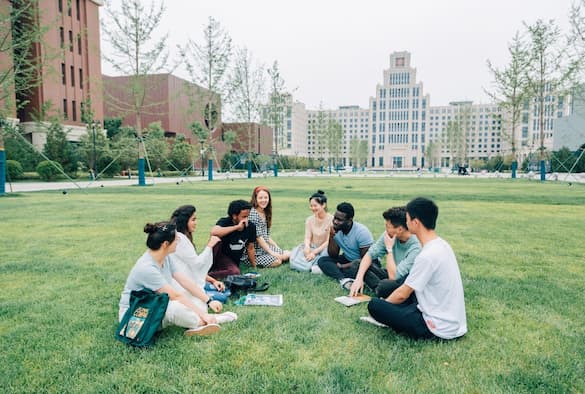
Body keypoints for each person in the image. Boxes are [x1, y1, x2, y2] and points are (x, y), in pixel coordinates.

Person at [365, 197, 467, 340]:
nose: (406, 223)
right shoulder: (442, 245)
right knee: (403, 282)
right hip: (448, 317)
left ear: (416, 222)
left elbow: (402, 294)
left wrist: (384, 305)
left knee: (375, 305)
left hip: (436, 326)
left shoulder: (427, 255)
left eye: (407, 219)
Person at [118, 222, 237, 337]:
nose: (178, 242)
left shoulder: (165, 257)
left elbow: (185, 281)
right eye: (176, 239)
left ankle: (197, 324)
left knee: (194, 298)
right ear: (165, 244)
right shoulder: (147, 268)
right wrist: (203, 314)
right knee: (174, 307)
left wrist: (209, 301)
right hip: (136, 316)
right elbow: (175, 296)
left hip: (154, 303)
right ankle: (211, 321)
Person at [349, 207, 420, 296]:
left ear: (400, 230)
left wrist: (389, 249)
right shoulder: (389, 235)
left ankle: (381, 290)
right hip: (390, 273)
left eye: (388, 226)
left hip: (404, 281)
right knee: (357, 264)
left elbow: (394, 277)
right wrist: (358, 278)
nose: (385, 229)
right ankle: (380, 290)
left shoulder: (416, 247)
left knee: (385, 285)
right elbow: (370, 254)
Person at [170, 205, 230, 303]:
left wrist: (213, 281)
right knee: (223, 297)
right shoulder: (180, 240)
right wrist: (210, 245)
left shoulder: (181, 237)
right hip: (182, 286)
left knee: (225, 289)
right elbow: (197, 265)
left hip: (189, 280)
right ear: (185, 222)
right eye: (193, 220)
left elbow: (193, 267)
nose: (196, 223)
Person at [317, 202, 374, 290]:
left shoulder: (362, 232)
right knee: (322, 260)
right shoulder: (336, 229)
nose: (335, 222)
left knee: (357, 269)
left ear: (349, 220)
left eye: (339, 220)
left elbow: (365, 259)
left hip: (364, 263)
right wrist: (332, 236)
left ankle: (338, 273)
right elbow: (333, 255)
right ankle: (344, 279)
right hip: (347, 258)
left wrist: (343, 266)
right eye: (335, 218)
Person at [243, 186, 291, 268]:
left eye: (266, 197)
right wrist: (272, 253)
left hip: (264, 248)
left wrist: (276, 247)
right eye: (260, 198)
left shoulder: (265, 212)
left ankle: (280, 255)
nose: (263, 200)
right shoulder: (253, 214)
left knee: (289, 254)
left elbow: (266, 235)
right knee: (278, 261)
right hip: (254, 252)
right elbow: (259, 238)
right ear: (255, 199)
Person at [209, 200, 257, 278]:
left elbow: (250, 248)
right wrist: (236, 227)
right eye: (244, 217)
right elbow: (213, 232)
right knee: (215, 238)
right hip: (218, 255)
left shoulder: (251, 227)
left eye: (248, 216)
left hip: (231, 260)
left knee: (234, 272)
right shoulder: (225, 222)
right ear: (234, 216)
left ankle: (207, 276)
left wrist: (254, 266)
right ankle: (207, 270)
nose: (246, 220)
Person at [290, 190, 333, 274]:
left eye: (315, 206)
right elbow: (307, 237)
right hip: (312, 247)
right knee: (295, 256)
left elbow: (328, 241)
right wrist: (307, 247)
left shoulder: (331, 220)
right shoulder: (309, 220)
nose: (313, 208)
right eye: (311, 206)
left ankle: (315, 265)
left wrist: (314, 252)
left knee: (326, 254)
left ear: (323, 205)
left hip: (324, 249)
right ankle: (313, 266)